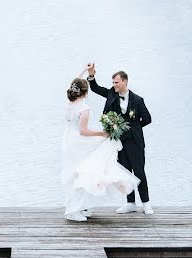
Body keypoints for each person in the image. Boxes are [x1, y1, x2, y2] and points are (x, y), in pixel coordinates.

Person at [61, 66, 140, 221]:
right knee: (88, 169)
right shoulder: (84, 108)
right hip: (79, 143)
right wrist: (103, 134)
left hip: (68, 141)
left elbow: (76, 81)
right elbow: (83, 131)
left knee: (78, 172)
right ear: (85, 92)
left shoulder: (68, 103)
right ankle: (72, 211)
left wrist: (85, 71)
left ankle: (81, 206)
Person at [87, 64, 154, 214]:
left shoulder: (138, 100)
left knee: (139, 172)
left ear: (125, 82)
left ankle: (146, 203)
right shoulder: (111, 94)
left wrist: (133, 128)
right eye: (113, 83)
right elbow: (97, 89)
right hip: (118, 143)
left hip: (135, 142)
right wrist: (91, 76)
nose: (114, 85)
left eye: (116, 82)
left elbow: (148, 119)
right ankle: (130, 203)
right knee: (125, 172)